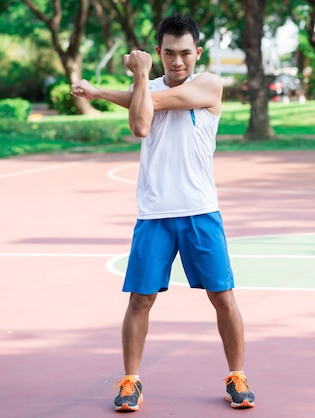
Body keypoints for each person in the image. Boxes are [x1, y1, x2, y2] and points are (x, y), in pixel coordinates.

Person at [71, 14, 255, 412]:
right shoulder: (146, 87)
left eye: (185, 53)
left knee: (223, 297)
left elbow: (148, 106)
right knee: (140, 300)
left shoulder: (208, 84)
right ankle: (130, 381)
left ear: (198, 53)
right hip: (154, 213)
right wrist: (114, 88)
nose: (177, 62)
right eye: (168, 53)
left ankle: (237, 375)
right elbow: (141, 124)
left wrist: (106, 89)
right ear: (158, 52)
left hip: (200, 212)